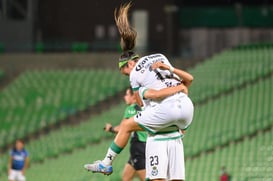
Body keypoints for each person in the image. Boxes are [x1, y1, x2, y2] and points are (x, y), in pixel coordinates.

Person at [84, 3, 194, 181]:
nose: (126, 75)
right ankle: (178, 128)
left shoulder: (135, 76)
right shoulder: (160, 57)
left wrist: (145, 97)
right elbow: (184, 80)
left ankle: (106, 162)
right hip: (186, 110)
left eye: (124, 71)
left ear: (129, 64)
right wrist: (181, 88)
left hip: (166, 112)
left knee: (127, 124)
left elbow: (144, 103)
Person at [104, 87, 147, 181]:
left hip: (138, 147)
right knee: (126, 178)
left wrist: (110, 128)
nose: (124, 97)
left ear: (134, 97)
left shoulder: (131, 108)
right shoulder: (144, 107)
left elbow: (122, 128)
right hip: (144, 146)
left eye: (127, 94)